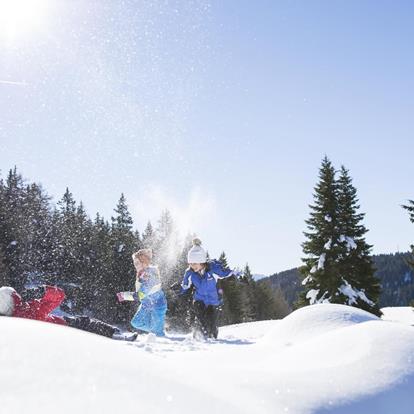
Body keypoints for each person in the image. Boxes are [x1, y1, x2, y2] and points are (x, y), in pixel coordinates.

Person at [0, 285, 137, 341]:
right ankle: (117, 334)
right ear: (13, 299)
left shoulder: (9, 321)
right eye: (15, 295)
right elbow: (59, 296)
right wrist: (45, 291)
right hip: (62, 326)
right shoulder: (28, 311)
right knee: (86, 322)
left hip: (55, 323)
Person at [179, 238, 241, 339]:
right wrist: (179, 289)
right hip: (199, 300)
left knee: (212, 325)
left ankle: (212, 337)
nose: (192, 266)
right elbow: (185, 286)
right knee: (201, 320)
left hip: (214, 302)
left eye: (194, 263)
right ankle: (199, 335)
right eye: (190, 263)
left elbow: (226, 273)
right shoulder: (190, 273)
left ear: (201, 261)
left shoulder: (213, 270)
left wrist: (237, 274)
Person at [117, 248, 167, 337]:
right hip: (146, 305)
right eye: (134, 264)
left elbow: (141, 294)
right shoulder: (141, 274)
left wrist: (125, 296)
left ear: (144, 262)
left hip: (157, 306)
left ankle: (159, 336)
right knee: (136, 323)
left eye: (137, 263)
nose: (135, 266)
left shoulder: (149, 274)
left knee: (158, 332)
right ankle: (155, 329)